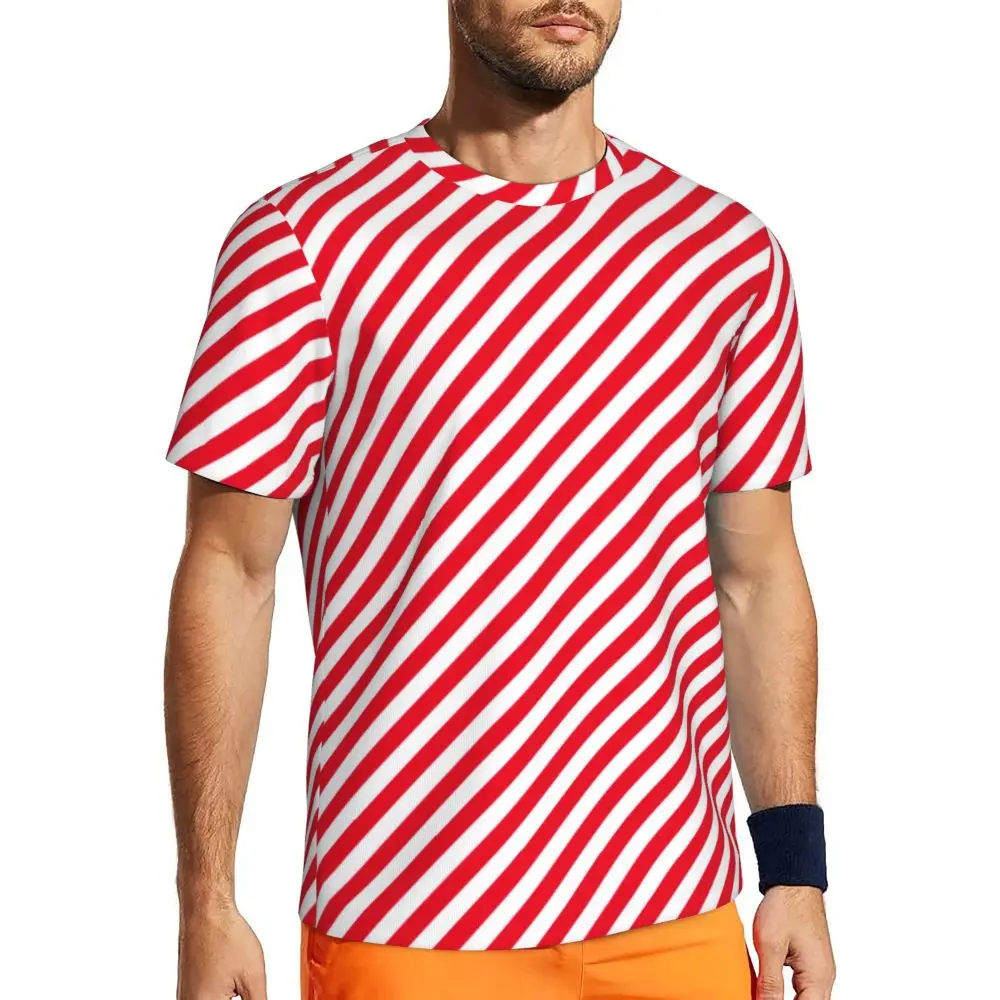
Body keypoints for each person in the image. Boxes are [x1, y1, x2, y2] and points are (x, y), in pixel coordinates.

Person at [163, 2, 836, 998]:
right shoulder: (305, 242)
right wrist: (206, 899)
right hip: (404, 918)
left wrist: (794, 868)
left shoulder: (724, 257)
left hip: (673, 914)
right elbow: (231, 571)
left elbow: (758, 575)